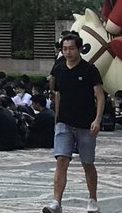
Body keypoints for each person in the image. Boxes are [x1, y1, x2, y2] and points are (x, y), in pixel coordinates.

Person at [45, 32, 104, 213]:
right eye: (64, 49)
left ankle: (92, 198)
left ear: (79, 49)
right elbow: (57, 93)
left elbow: (100, 96)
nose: (68, 52)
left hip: (86, 123)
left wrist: (97, 120)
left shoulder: (89, 70)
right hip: (64, 122)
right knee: (61, 160)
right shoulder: (59, 69)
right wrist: (56, 118)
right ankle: (56, 202)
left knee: (87, 162)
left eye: (71, 48)